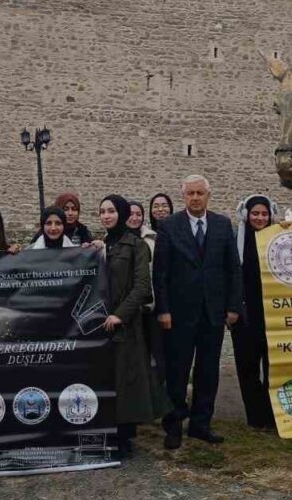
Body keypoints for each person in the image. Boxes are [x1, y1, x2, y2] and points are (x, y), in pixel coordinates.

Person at [152, 175, 242, 449]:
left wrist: (233, 307)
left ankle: (201, 424)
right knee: (177, 371)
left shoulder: (222, 224)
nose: (195, 198)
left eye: (199, 193)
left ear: (208, 195)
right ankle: (174, 424)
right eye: (190, 193)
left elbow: (232, 270)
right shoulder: (169, 226)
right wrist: (164, 310)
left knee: (208, 371)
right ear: (183, 196)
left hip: (212, 313)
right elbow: (160, 273)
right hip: (179, 314)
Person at [98, 195, 160, 455]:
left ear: (122, 214)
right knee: (108, 379)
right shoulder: (101, 246)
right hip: (102, 324)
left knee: (127, 381)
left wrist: (120, 315)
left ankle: (124, 438)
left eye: (111, 211)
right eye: (102, 211)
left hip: (125, 324)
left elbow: (142, 287)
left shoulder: (137, 245)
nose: (106, 215)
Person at [231, 195, 277, 430]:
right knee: (247, 367)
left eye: (264, 214)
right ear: (246, 215)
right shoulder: (236, 241)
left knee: (273, 367)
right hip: (245, 314)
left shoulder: (279, 239)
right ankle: (256, 415)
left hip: (272, 314)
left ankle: (273, 414)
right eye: (255, 213)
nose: (260, 218)